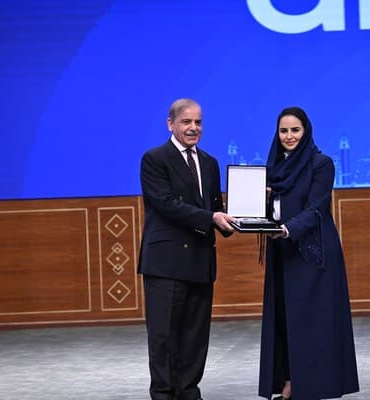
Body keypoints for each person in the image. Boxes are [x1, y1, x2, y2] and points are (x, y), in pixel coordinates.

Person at [258, 107, 360, 400]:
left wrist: (288, 229)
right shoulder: (274, 168)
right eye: (283, 131)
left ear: (306, 131)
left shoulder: (321, 164)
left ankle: (312, 386)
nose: (289, 136)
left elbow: (316, 208)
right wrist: (261, 203)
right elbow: (271, 211)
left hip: (312, 253)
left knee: (312, 323)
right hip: (282, 252)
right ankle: (289, 381)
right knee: (284, 320)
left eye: (295, 130)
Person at [138, 98, 236, 400]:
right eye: (186, 122)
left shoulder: (209, 163)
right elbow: (166, 205)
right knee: (164, 337)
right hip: (166, 263)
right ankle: (164, 395)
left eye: (198, 122)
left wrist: (236, 220)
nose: (193, 128)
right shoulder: (155, 159)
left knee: (195, 337)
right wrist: (211, 218)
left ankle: (189, 392)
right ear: (171, 124)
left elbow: (214, 208)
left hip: (200, 260)